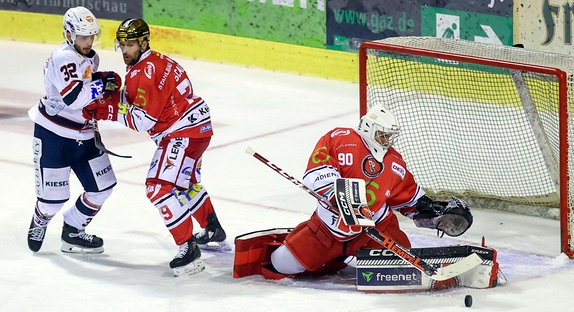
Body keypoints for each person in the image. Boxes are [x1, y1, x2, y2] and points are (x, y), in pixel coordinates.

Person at [233, 105, 473, 279]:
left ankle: (343, 258)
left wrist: (435, 215)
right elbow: (318, 168)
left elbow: (410, 200)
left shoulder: (395, 162)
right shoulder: (340, 138)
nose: (387, 140)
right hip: (327, 230)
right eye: (383, 134)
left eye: (390, 136)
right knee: (281, 264)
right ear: (368, 127)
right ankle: (333, 259)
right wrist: (336, 194)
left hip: (375, 230)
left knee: (400, 268)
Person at [83, 18, 227, 276]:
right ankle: (212, 227)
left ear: (144, 42)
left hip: (182, 133)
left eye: (130, 44)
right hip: (197, 128)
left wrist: (107, 109)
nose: (125, 50)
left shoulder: (144, 72)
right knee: (185, 183)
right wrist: (118, 96)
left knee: (158, 187)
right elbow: (145, 102)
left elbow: (143, 121)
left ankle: (188, 248)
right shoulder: (155, 62)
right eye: (122, 44)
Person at [27, 6, 121, 254]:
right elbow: (74, 98)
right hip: (54, 135)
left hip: (84, 133)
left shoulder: (90, 57)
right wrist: (102, 83)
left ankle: (73, 230)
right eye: (82, 36)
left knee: (103, 187)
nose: (88, 41)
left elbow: (88, 87)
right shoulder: (62, 58)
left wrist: (101, 80)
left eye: (91, 36)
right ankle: (40, 218)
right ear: (69, 34)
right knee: (52, 201)